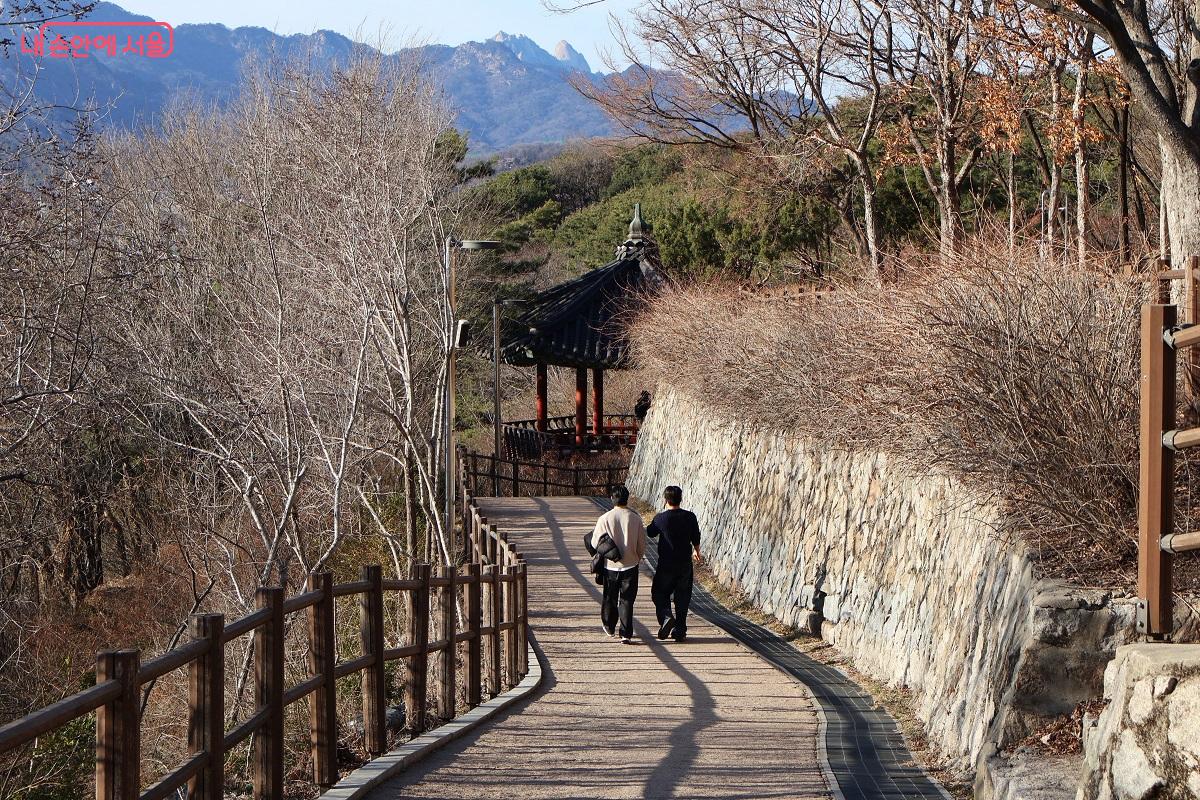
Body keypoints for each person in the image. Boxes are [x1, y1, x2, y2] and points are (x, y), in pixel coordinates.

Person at [588, 485, 646, 644]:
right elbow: (642, 544)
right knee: (627, 600)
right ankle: (626, 633)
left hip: (610, 566)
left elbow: (595, 543)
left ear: (612, 499)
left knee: (610, 597)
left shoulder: (605, 518)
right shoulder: (635, 518)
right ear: (627, 499)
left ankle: (609, 625)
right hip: (631, 565)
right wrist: (638, 557)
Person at [647, 485, 702, 642]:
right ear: (681, 498)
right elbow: (695, 536)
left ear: (666, 500)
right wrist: (697, 550)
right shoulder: (690, 516)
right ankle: (680, 630)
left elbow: (650, 532)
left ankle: (666, 617)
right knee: (682, 597)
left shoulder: (661, 518)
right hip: (684, 563)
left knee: (659, 593)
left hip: (666, 564)